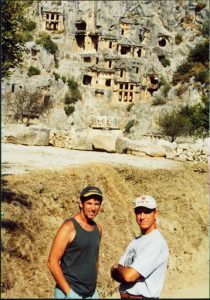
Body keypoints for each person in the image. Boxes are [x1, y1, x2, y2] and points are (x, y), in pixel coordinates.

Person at [48, 186, 103, 299]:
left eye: (97, 204)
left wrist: (93, 290)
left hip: (91, 293)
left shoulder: (98, 229)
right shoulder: (69, 227)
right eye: (89, 203)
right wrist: (69, 293)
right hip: (70, 293)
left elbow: (94, 260)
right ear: (81, 204)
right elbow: (52, 262)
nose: (93, 208)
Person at [111, 195, 169, 299]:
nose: (142, 217)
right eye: (138, 212)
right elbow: (115, 272)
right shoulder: (135, 241)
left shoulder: (156, 242)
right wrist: (120, 269)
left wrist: (119, 269)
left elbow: (128, 276)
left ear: (155, 213)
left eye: (147, 211)